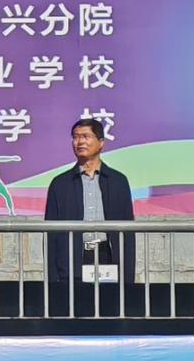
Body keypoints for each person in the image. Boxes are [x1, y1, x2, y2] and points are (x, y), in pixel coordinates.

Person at [44, 118, 136, 314]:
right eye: (75, 137)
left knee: (108, 315)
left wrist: (128, 277)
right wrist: (52, 278)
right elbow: (51, 236)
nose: (79, 142)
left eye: (86, 136)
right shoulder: (60, 184)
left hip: (107, 258)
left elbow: (128, 234)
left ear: (101, 142)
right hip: (73, 261)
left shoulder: (118, 181)